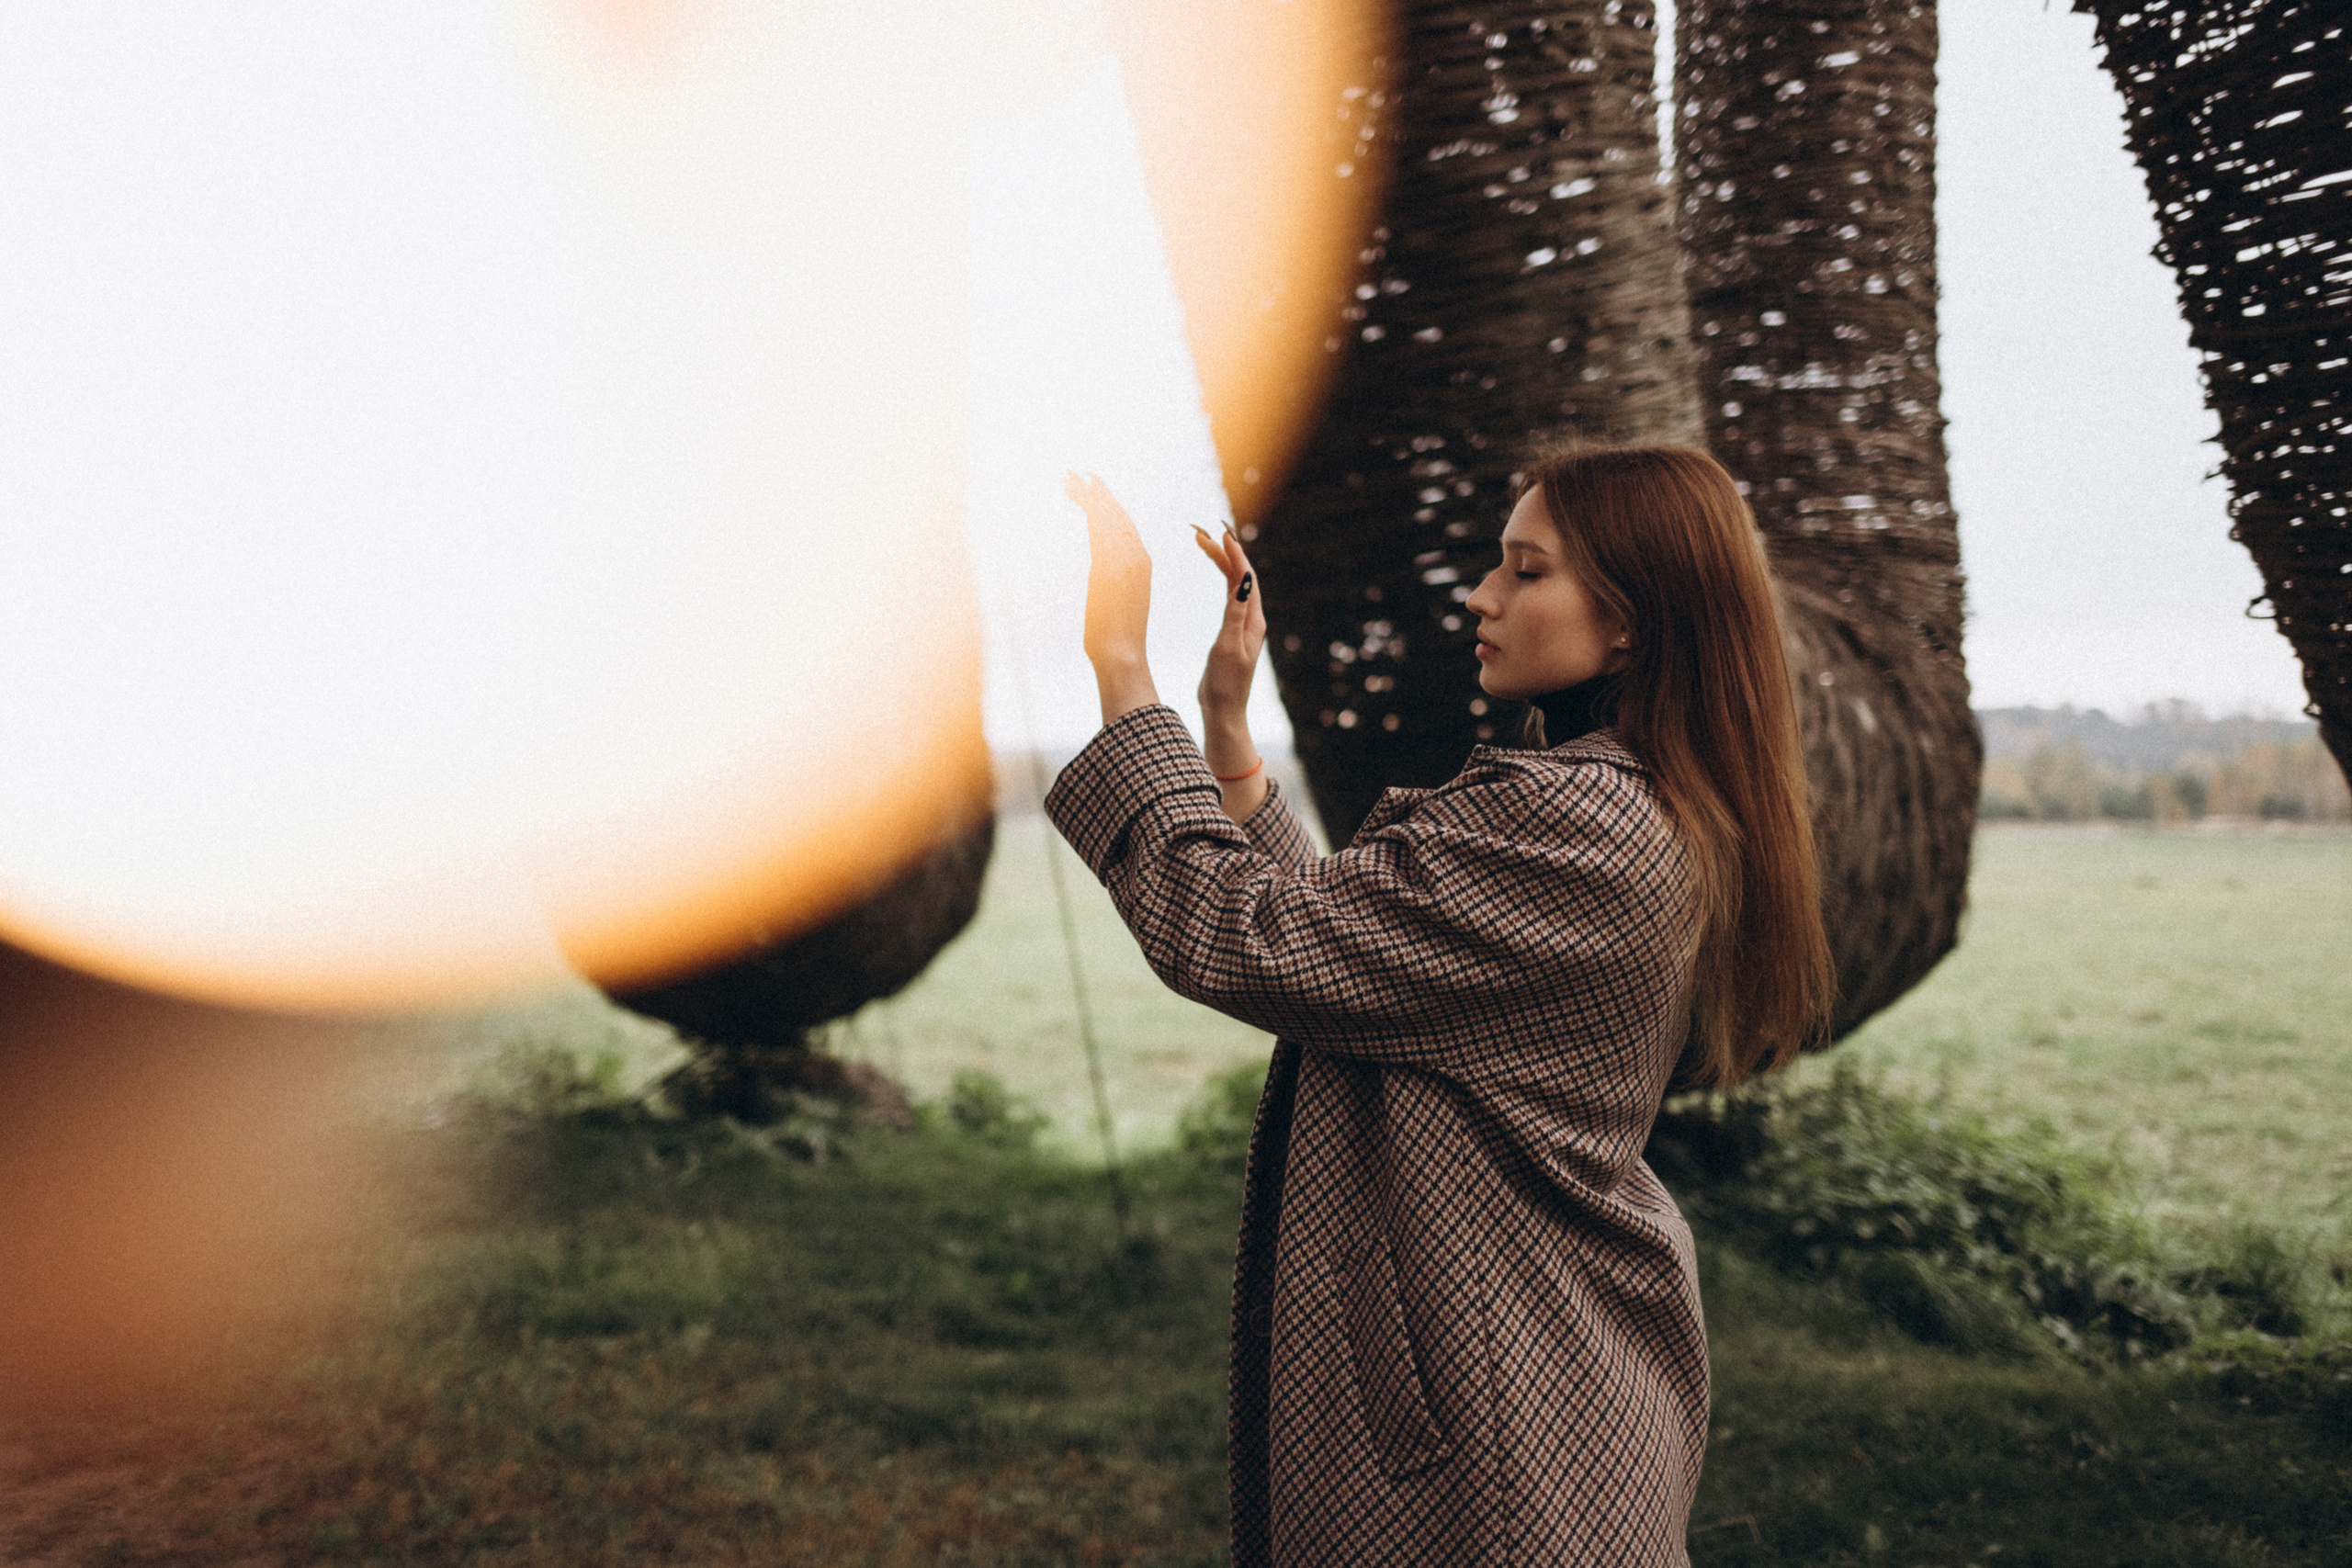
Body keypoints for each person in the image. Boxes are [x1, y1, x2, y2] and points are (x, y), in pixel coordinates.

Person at [1047, 446, 1834, 1567]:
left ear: (1628, 621)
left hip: (1499, 1428)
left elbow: (1241, 933)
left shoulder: (1583, 826)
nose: (1480, 595)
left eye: (1526, 571)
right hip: (1522, 1382)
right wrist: (1227, 731)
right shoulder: (1619, 805)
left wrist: (1122, 669)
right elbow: (1357, 961)